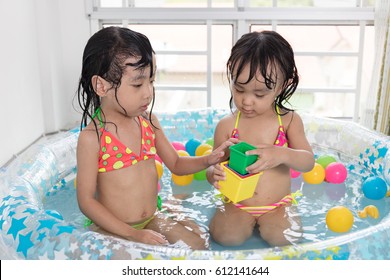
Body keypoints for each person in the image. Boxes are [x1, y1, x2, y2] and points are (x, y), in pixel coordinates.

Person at [76, 26, 236, 250]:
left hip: (151, 218)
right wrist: (132, 234)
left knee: (198, 244)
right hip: (112, 228)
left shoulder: (148, 122)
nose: (148, 92)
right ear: (101, 86)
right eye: (137, 84)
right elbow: (86, 202)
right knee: (124, 263)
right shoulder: (93, 138)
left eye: (151, 81)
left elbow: (177, 164)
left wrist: (210, 159)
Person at [206, 30, 315, 247]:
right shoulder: (227, 126)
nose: (247, 101)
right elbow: (213, 166)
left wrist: (282, 154)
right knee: (225, 238)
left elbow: (308, 162)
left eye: (259, 94)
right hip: (236, 203)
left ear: (282, 86)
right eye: (239, 89)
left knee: (286, 239)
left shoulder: (288, 122)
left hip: (277, 205)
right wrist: (213, 174)